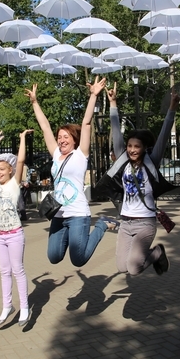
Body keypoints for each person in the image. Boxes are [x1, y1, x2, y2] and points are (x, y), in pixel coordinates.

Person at [26, 77, 117, 267]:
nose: (61, 140)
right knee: (54, 256)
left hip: (77, 213)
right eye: (59, 137)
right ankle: (70, 236)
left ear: (74, 140)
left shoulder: (80, 155)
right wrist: (35, 102)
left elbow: (86, 124)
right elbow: (45, 127)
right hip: (58, 214)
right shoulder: (56, 154)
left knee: (79, 259)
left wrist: (93, 96)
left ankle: (101, 225)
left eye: (65, 137)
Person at [98, 83, 178, 276]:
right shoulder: (122, 162)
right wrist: (113, 103)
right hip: (125, 222)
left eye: (137, 146)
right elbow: (116, 133)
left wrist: (172, 109)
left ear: (144, 148)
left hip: (145, 223)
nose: (132, 149)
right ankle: (154, 254)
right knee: (121, 267)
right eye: (130, 146)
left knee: (134, 269)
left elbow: (164, 135)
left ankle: (157, 252)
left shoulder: (152, 162)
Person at [0, 128, 33, 327]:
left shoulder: (14, 184)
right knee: (4, 272)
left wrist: (21, 139)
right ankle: (7, 306)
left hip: (14, 235)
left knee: (17, 270)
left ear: (10, 170)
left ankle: (25, 308)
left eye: (2, 169)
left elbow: (20, 160)